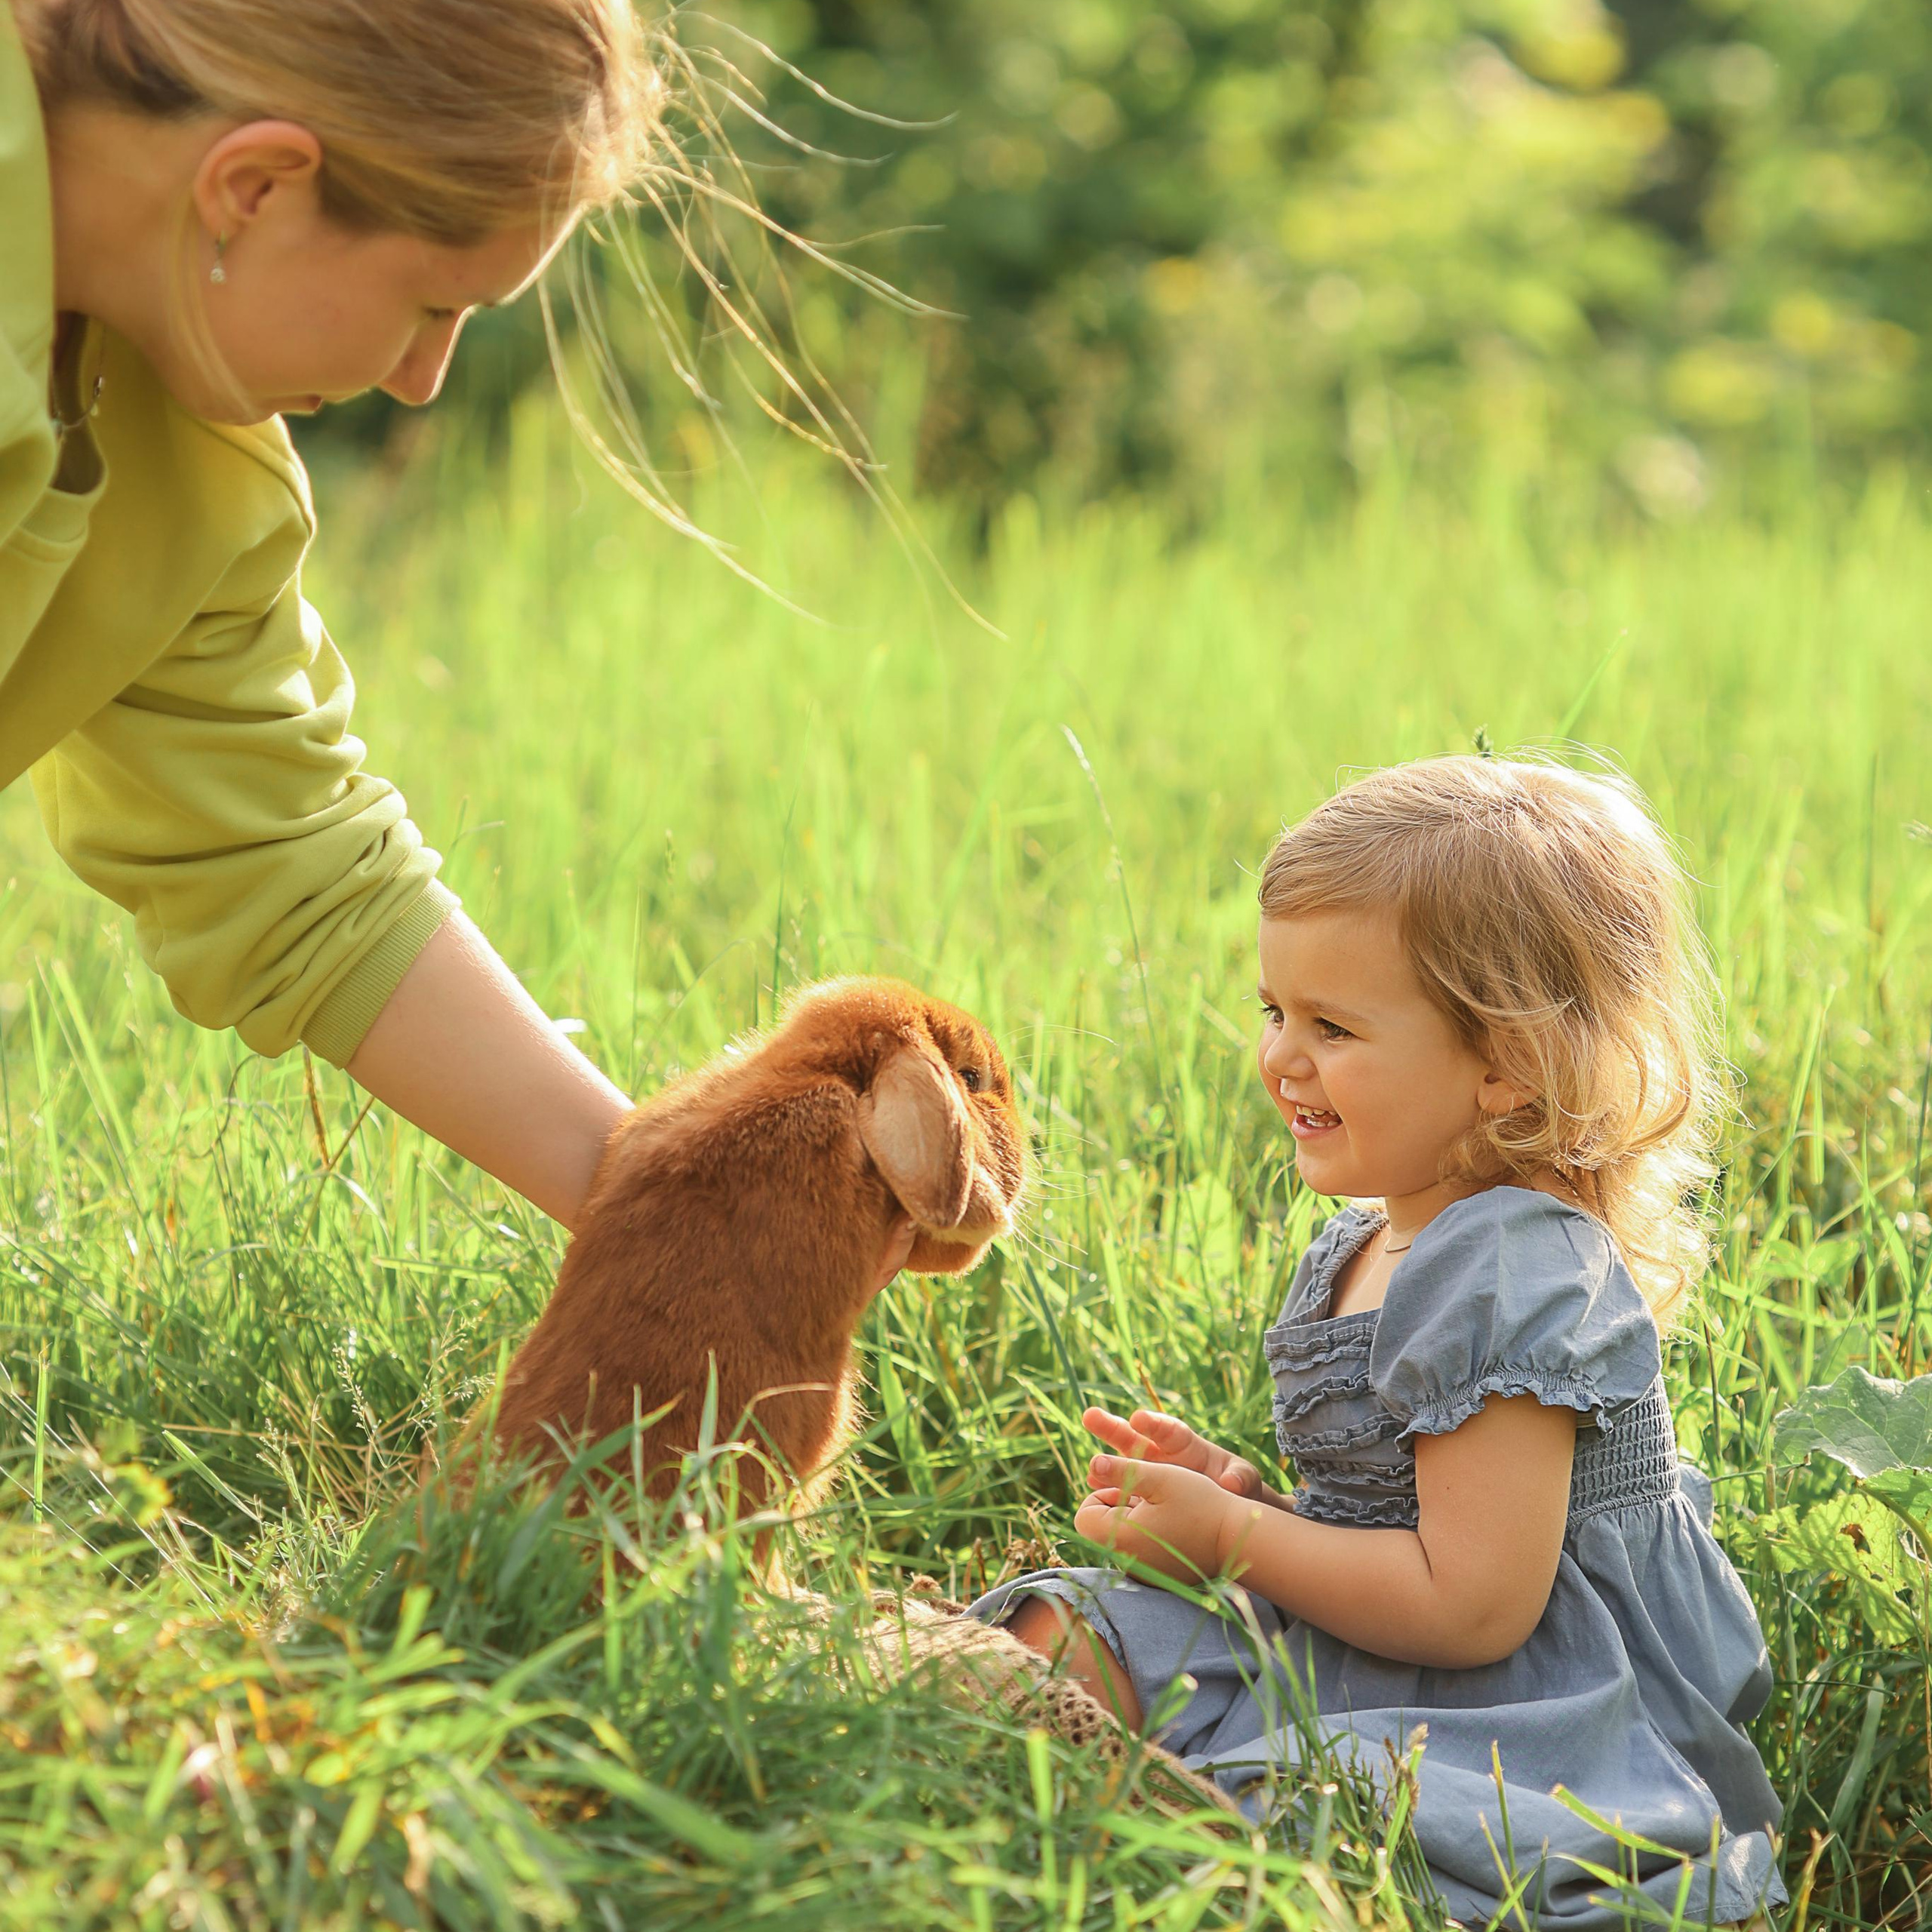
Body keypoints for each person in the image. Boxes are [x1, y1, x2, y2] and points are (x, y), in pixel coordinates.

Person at [1, 0, 916, 1282]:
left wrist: (688, 1230)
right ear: (253, 188)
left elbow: (295, 875)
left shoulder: (189, 473)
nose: (423, 377)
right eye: (434, 304)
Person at [969, 755, 1787, 1928]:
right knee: (1068, 1630)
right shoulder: (1367, 1241)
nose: (1282, 1060)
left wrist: (1237, 1538)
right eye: (1275, 1012)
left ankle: (1168, 1821)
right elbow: (1387, 1523)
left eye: (1336, 1027)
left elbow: (1475, 1605)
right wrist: (1246, 1498)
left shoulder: (1512, 1263)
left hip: (1525, 1702)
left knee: (1321, 1805)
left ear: (1507, 1065)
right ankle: (1083, 1779)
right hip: (1386, 1630)